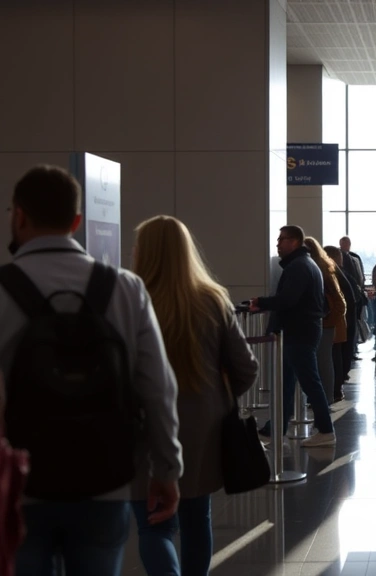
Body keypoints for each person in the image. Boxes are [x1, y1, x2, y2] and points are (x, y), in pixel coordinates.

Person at [1, 165, 182, 574]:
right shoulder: (125, 288)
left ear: (19, 216)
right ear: (77, 222)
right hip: (105, 478)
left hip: (19, 485)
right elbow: (158, 388)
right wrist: (167, 469)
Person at [131, 215, 259, 576]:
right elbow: (247, 369)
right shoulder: (212, 300)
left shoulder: (129, 298)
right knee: (196, 518)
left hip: (143, 427)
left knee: (152, 524)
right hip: (203, 426)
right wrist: (218, 398)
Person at [253, 225, 336, 447]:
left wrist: (261, 302)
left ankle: (326, 430)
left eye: (283, 239)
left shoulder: (298, 267)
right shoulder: (305, 264)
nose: (278, 243)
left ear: (296, 242)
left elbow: (287, 300)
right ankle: (276, 431)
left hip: (298, 332)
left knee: (309, 382)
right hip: (301, 330)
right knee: (286, 384)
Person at [305, 237, 348, 400]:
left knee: (323, 362)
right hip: (326, 322)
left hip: (325, 323)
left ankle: (326, 398)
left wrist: (328, 320)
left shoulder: (319, 270)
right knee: (325, 361)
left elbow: (339, 302)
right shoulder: (324, 268)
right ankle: (326, 397)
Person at [325, 246, 358, 401]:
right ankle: (335, 390)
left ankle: (334, 391)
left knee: (333, 357)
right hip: (343, 322)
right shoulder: (342, 274)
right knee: (337, 356)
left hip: (335, 323)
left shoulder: (333, 275)